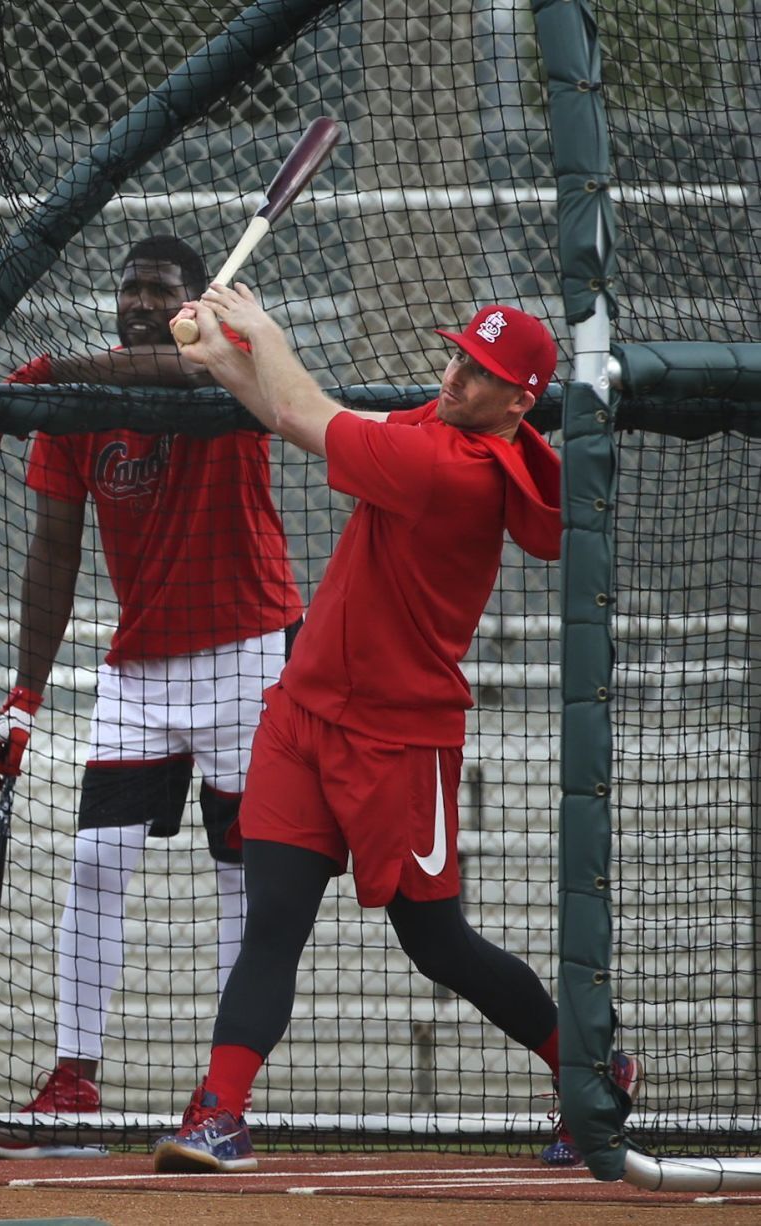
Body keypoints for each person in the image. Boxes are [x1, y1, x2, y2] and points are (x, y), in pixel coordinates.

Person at [151, 285, 639, 1173]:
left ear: (519, 403)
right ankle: (219, 1112)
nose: (453, 375)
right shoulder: (435, 428)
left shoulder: (454, 470)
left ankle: (591, 1071)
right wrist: (224, 359)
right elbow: (298, 415)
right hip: (303, 717)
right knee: (273, 925)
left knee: (437, 945)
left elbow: (303, 415)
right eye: (458, 355)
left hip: (399, 741)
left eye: (479, 372)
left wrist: (259, 328)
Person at [0, 236, 303, 1158]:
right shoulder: (80, 410)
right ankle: (73, 1082)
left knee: (240, 875)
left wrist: (58, 371)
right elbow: (53, 549)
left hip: (248, 651)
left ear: (194, 304)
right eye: (128, 289)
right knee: (95, 862)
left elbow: (195, 365)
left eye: (160, 290)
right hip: (140, 668)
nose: (140, 302)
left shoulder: (230, 362)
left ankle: (222, 1099)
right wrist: (26, 695)